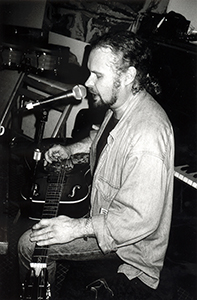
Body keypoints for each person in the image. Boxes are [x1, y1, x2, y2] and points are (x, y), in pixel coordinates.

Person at [18, 31, 175, 299]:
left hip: (127, 247)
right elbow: (102, 140)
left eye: (98, 76)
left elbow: (140, 220)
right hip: (103, 218)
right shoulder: (122, 108)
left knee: (28, 244)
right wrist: (70, 149)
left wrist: (75, 228)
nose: (88, 82)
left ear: (127, 76)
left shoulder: (148, 134)